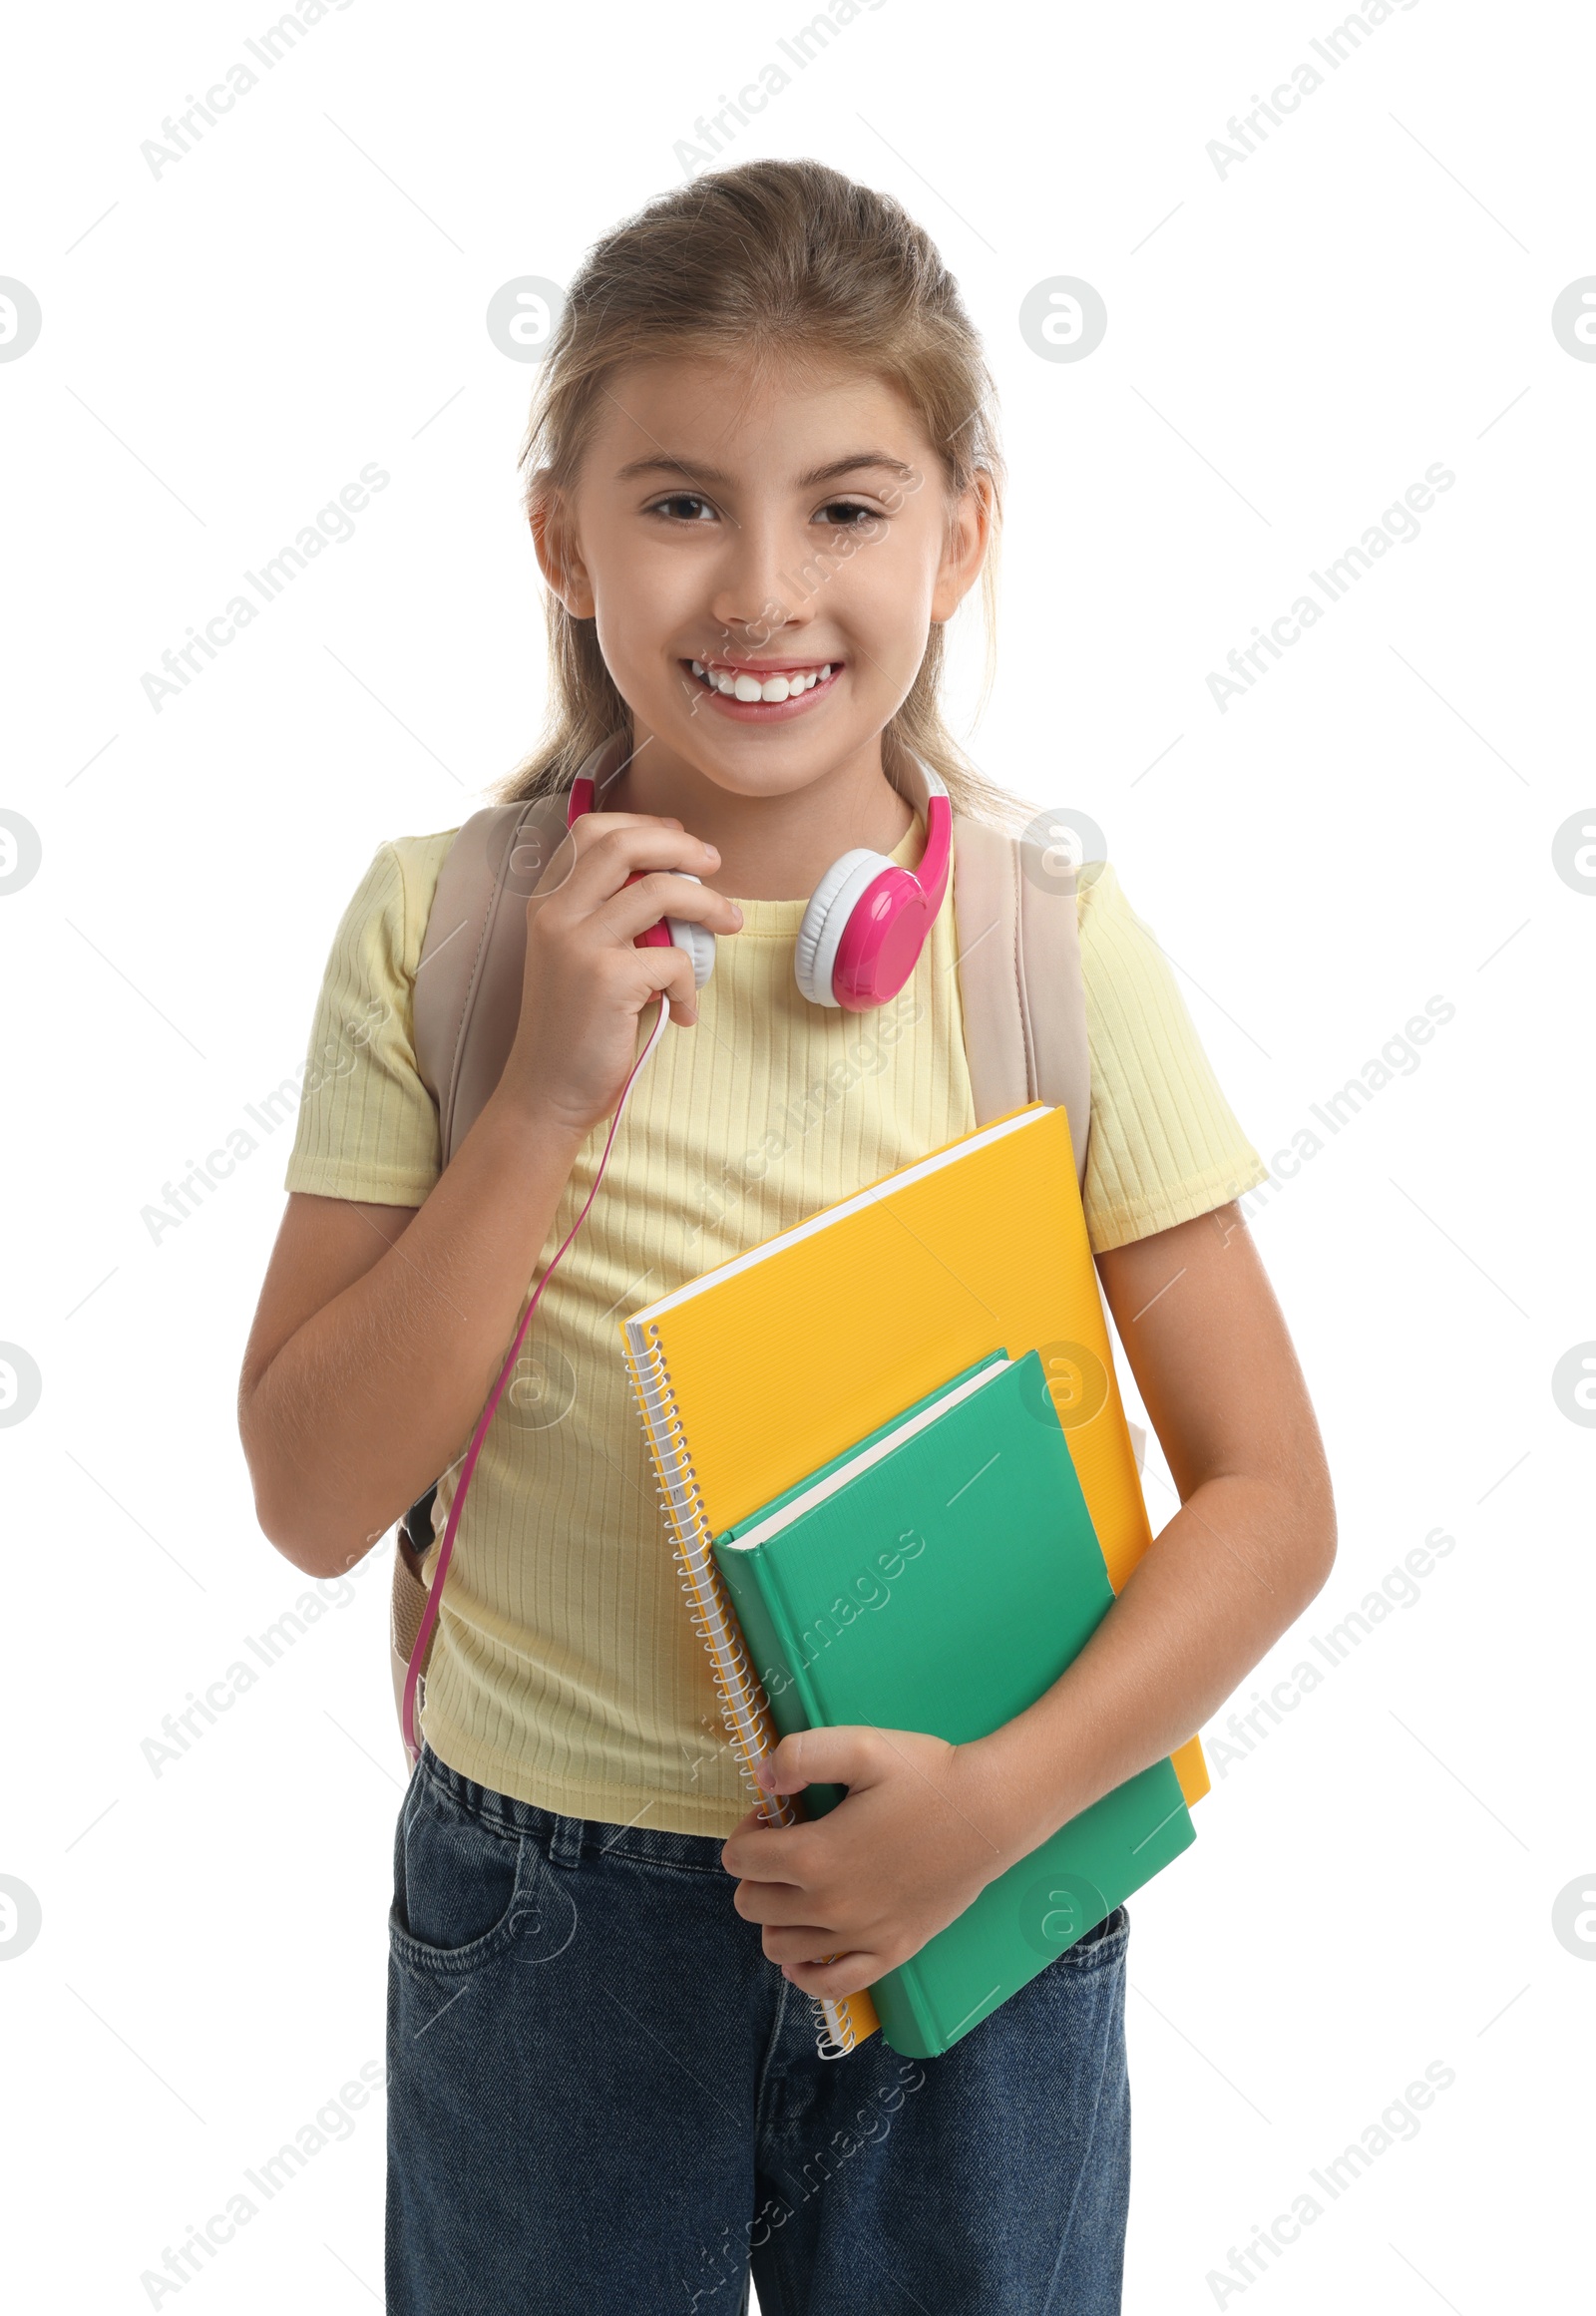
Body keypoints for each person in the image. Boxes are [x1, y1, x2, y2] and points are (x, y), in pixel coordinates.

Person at [237, 157, 1336, 2316]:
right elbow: (308, 1494)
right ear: (559, 535)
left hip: (983, 1872)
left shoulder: (1039, 945)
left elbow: (1271, 1498)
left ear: (960, 535)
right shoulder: (443, 931)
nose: (761, 592)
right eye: (677, 504)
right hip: (544, 1920)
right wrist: (547, 1089)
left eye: (844, 507)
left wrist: (998, 1802)